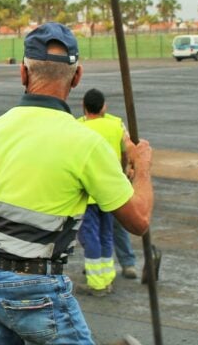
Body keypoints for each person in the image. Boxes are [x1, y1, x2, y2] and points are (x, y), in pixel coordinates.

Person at [0, 22, 154, 344]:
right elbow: (139, 220)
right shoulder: (85, 144)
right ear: (76, 77)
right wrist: (143, 167)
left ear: (23, 73)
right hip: (36, 288)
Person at [76, 88, 127, 295]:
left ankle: (96, 283)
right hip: (110, 192)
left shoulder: (79, 127)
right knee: (107, 234)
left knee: (91, 237)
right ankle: (107, 277)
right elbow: (125, 154)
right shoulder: (116, 126)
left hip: (88, 195)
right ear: (104, 106)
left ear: (84, 107)